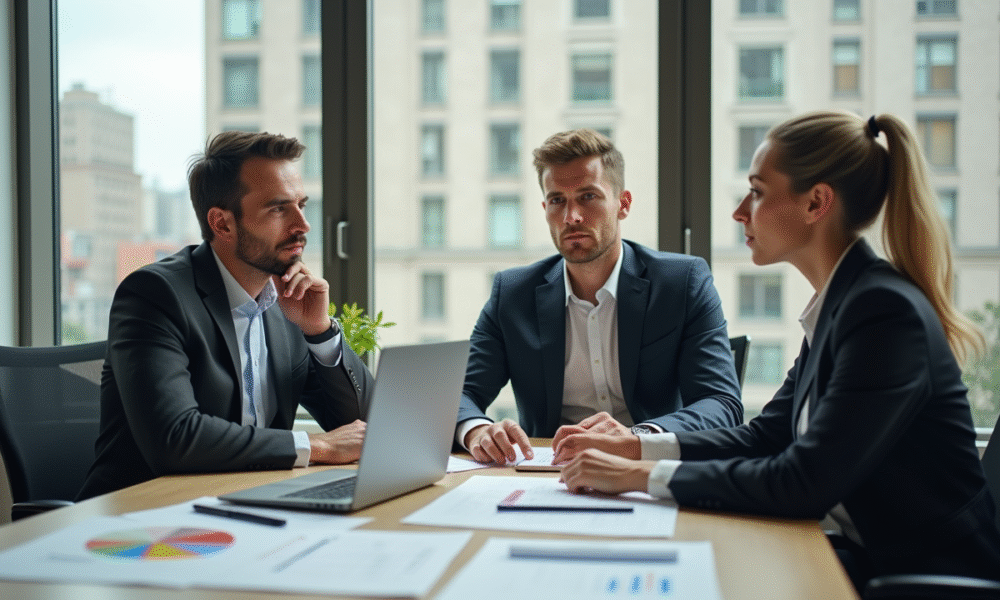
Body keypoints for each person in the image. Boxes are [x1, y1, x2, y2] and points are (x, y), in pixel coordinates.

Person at [555, 112, 1000, 584]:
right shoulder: (844, 303)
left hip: (917, 577)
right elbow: (765, 436)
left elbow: (801, 482)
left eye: (759, 191)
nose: (740, 210)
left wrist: (636, 477)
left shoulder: (883, 313)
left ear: (816, 203)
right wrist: (635, 447)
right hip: (859, 556)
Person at [78, 131, 374, 500]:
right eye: (279, 208)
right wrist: (316, 446)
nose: (303, 224)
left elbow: (366, 427)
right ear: (221, 223)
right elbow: (175, 438)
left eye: (302, 204)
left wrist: (319, 331)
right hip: (146, 518)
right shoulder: (154, 295)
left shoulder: (287, 306)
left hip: (251, 502)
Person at [458, 128, 743, 464]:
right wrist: (476, 430)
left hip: (646, 471)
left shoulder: (682, 283)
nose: (571, 217)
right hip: (549, 475)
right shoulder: (512, 293)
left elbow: (721, 403)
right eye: (557, 200)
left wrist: (637, 438)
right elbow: (461, 393)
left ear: (623, 204)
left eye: (588, 196)